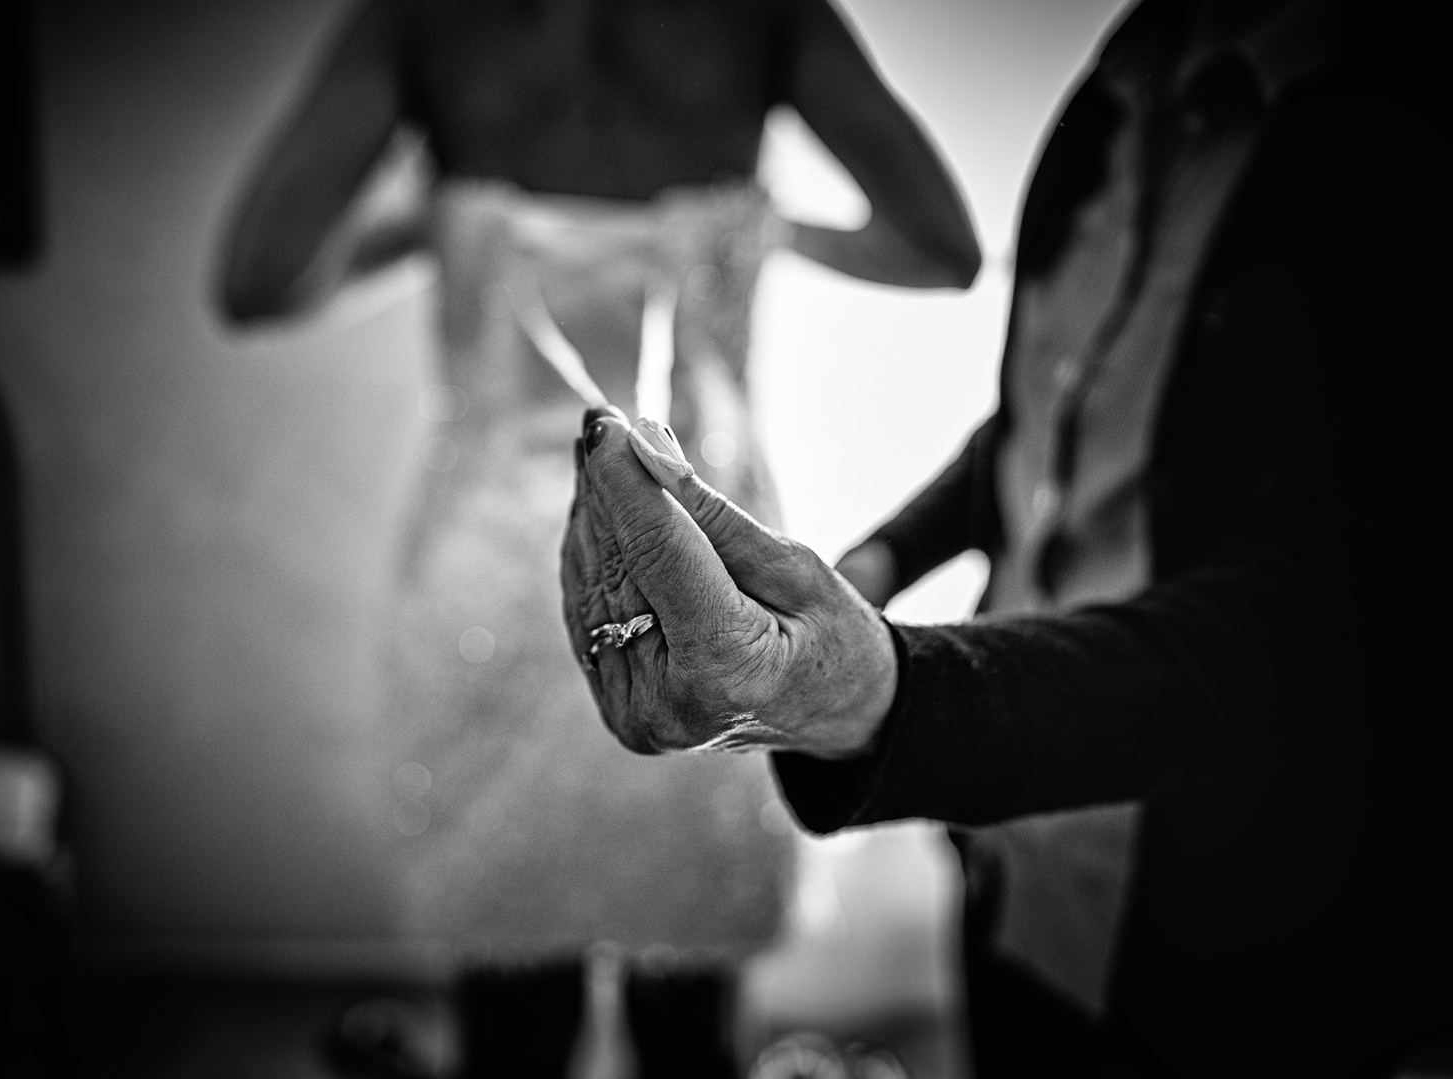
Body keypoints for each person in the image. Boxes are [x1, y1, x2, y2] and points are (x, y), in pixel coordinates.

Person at [561, 0, 1450, 1072]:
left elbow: (1322, 625)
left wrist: (885, 691)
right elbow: (1058, 410)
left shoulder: (1401, 136)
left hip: (1241, 906)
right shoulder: (1120, 89)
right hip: (1009, 850)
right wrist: (882, 559)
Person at [218, 0, 978, 949]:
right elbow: (943, 249)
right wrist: (756, 228)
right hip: (704, 560)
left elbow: (258, 280)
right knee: (691, 988)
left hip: (489, 573)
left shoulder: (418, 20)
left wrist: (438, 227)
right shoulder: (767, 17)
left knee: (508, 988)